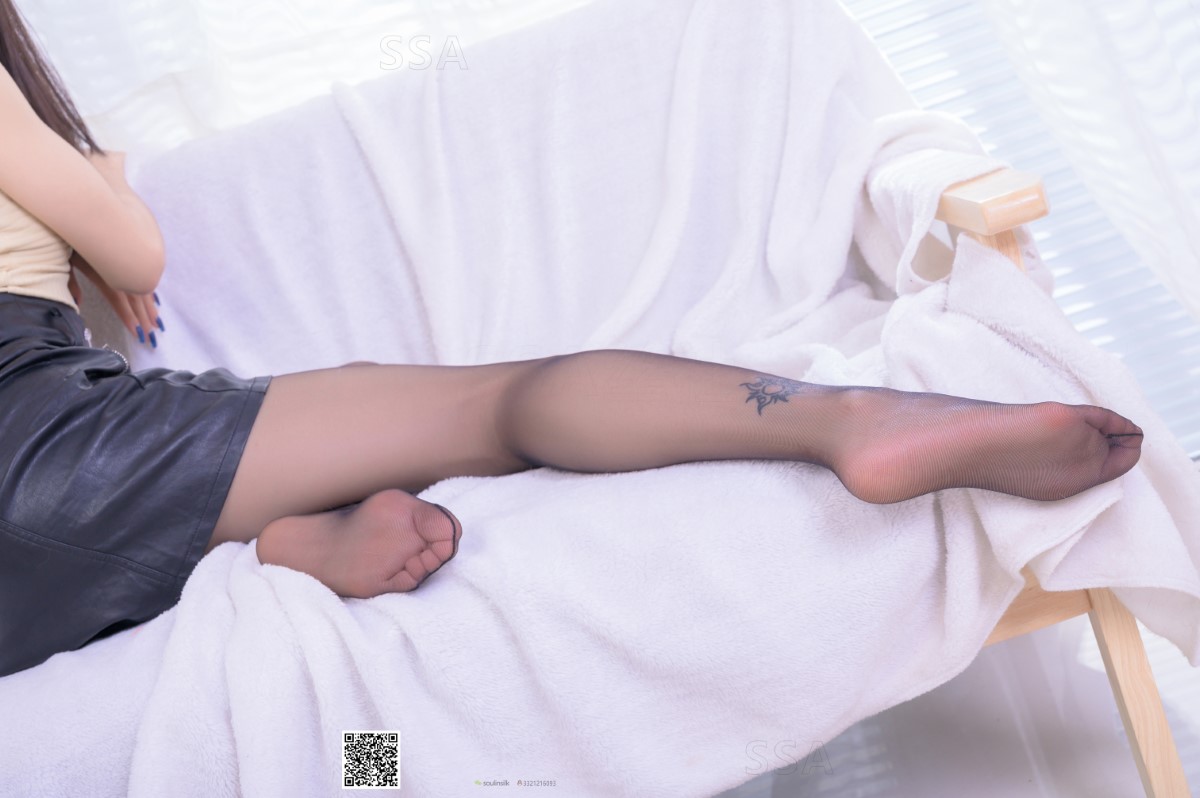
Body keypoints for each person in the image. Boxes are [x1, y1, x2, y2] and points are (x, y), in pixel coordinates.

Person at [0, 0, 1144, 679]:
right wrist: (101, 210)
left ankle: (272, 549)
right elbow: (135, 252)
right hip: (44, 439)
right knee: (487, 408)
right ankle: (847, 420)